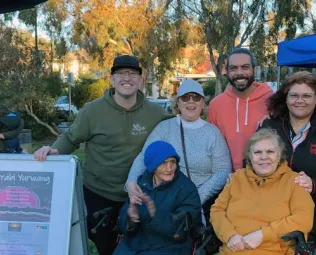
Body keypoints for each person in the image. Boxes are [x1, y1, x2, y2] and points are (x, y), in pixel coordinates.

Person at [33, 55, 172, 255]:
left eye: (132, 74)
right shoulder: (92, 110)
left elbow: (175, 130)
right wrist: (54, 151)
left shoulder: (155, 112)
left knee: (139, 246)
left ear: (140, 79)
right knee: (106, 246)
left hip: (139, 194)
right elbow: (71, 138)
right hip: (98, 193)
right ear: (112, 78)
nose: (127, 78)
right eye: (121, 73)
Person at [126, 79, 231, 254]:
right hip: (166, 195)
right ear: (178, 103)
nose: (191, 102)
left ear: (203, 102)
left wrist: (196, 196)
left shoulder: (213, 133)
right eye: (186, 97)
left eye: (196, 98)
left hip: (199, 199)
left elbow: (222, 170)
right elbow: (144, 156)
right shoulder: (164, 128)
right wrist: (130, 182)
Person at [260, 71, 316, 255]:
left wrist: (313, 184)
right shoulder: (270, 126)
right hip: (273, 215)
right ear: (285, 98)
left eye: (307, 96)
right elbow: (251, 162)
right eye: (294, 95)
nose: (300, 101)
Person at [210, 128, 314, 255]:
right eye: (258, 152)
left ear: (279, 155)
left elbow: (304, 219)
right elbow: (217, 210)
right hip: (232, 251)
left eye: (270, 151)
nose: (264, 157)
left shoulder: (295, 181)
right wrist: (229, 235)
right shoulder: (237, 178)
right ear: (249, 156)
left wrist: (263, 235)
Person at [114, 141, 201, 255]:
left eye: (173, 162)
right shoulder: (142, 183)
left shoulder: (186, 189)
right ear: (152, 166)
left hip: (169, 247)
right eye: (163, 163)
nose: (169, 168)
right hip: (133, 245)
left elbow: (181, 230)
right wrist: (131, 219)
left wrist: (155, 215)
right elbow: (123, 223)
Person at [208, 48, 273, 171]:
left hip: (266, 179)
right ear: (226, 72)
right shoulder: (216, 105)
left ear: (254, 69)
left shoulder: (272, 101)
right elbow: (213, 147)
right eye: (233, 68)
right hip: (228, 181)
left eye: (245, 67)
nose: (239, 73)